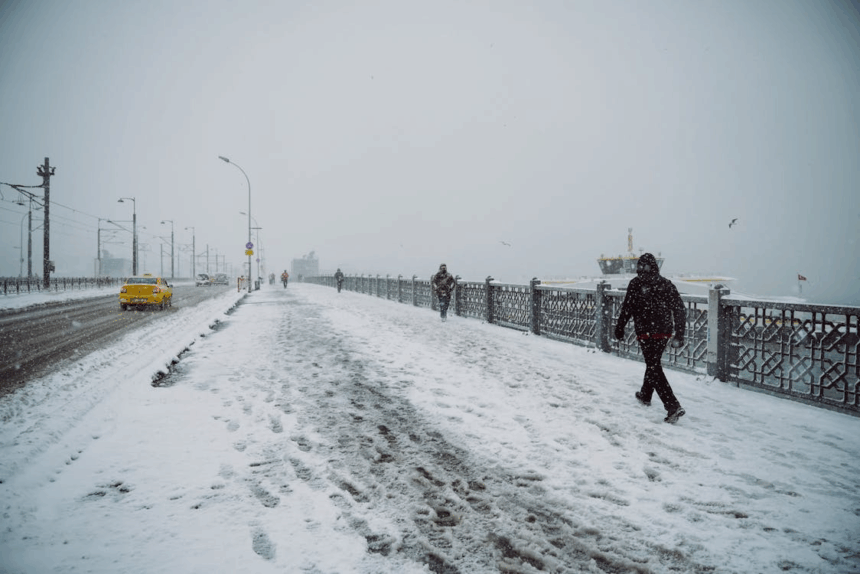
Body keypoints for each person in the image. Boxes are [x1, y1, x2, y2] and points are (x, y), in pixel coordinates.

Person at [614, 253, 687, 423]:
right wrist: (679, 333)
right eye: (640, 267)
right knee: (653, 363)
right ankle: (645, 394)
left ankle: (672, 406)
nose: (641, 270)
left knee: (653, 365)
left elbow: (627, 308)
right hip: (662, 331)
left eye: (643, 267)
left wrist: (620, 327)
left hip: (646, 331)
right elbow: (679, 309)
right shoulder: (665, 284)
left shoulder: (636, 283)